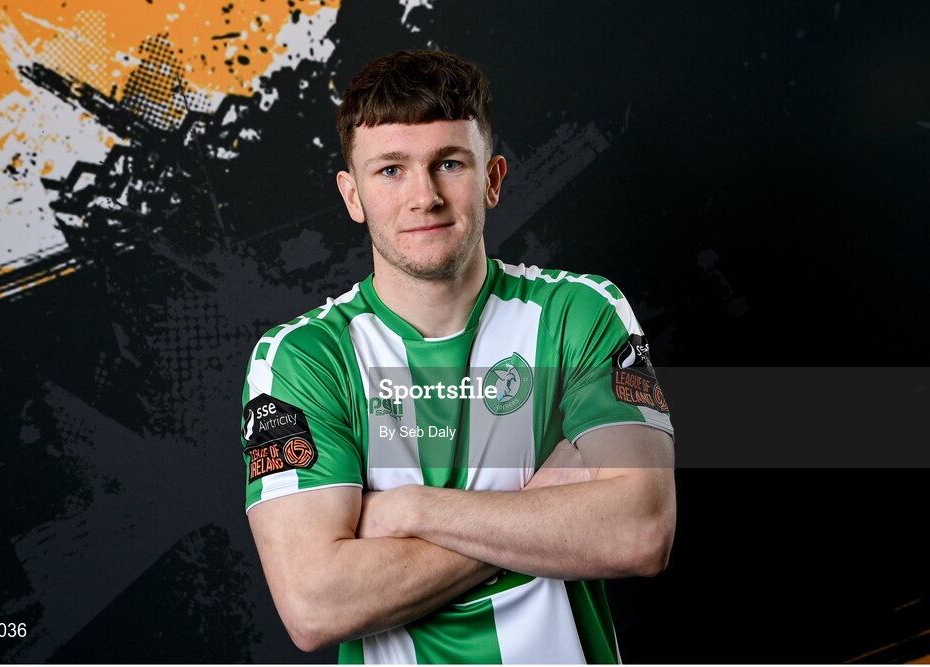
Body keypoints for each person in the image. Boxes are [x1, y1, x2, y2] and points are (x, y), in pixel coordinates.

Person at [240, 49, 676, 664]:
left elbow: (640, 531)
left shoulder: (580, 314)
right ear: (352, 195)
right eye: (391, 170)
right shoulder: (302, 359)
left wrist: (411, 509)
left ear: (492, 179)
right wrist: (540, 508)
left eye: (448, 163)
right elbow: (316, 607)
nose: (425, 197)